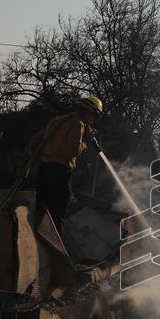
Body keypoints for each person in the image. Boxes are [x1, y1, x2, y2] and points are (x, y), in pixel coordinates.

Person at [28, 96, 103, 232]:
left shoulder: (58, 121)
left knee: (41, 210)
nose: (93, 121)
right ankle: (56, 249)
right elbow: (72, 151)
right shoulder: (77, 124)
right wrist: (85, 142)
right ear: (90, 112)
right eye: (94, 117)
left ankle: (36, 243)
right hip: (60, 172)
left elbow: (34, 142)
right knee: (58, 212)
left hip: (44, 169)